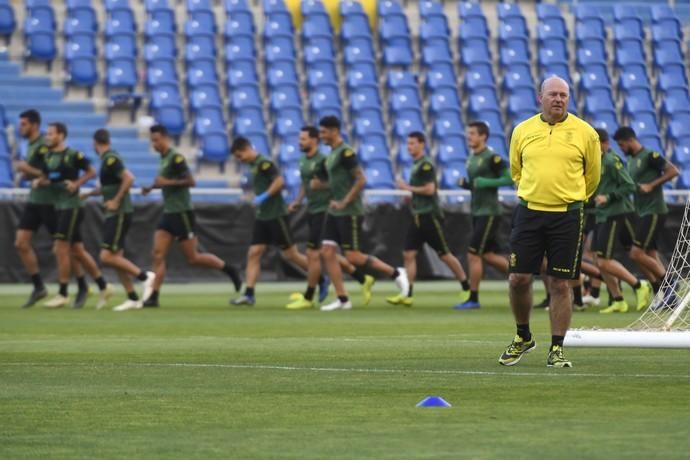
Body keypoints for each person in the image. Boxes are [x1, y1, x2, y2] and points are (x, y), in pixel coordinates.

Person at [500, 76, 601, 368]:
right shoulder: (522, 130)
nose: (558, 99)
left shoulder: (586, 133)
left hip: (567, 215)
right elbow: (516, 170)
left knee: (560, 283)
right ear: (539, 98)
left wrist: (571, 197)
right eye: (553, 94)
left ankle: (557, 347)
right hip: (530, 211)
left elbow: (592, 177)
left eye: (564, 95)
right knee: (518, 279)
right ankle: (523, 336)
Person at [311, 116, 409, 311]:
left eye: (323, 132)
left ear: (334, 131)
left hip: (350, 211)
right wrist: (321, 186)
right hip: (335, 211)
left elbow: (360, 180)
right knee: (327, 252)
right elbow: (338, 183)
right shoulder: (331, 154)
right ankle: (342, 298)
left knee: (353, 257)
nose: (321, 136)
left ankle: (396, 273)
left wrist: (344, 201)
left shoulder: (346, 153)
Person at [142, 125, 241, 307]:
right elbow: (166, 183)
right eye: (152, 140)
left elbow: (190, 181)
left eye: (156, 140)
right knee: (157, 254)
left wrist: (166, 182)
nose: (154, 144)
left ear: (165, 138)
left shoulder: (176, 158)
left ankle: (229, 269)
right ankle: (154, 296)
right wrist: (152, 187)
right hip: (169, 212)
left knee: (193, 258)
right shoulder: (163, 159)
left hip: (182, 213)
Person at [285, 127, 373, 310]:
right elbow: (306, 183)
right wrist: (298, 201)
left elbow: (333, 184)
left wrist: (322, 187)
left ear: (314, 140)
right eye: (299, 138)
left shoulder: (324, 161)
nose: (299, 142)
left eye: (303, 139)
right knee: (327, 253)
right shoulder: (303, 160)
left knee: (313, 254)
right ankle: (361, 278)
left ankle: (311, 295)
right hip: (312, 210)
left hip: (324, 211)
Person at [13, 110, 90, 308]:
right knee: (21, 243)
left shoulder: (44, 146)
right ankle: (39, 286)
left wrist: (26, 170)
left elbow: (49, 172)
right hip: (34, 200)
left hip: (51, 203)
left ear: (34, 125)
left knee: (67, 247)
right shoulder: (29, 145)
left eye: (24, 124)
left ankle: (81, 285)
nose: (20, 127)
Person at [387, 131, 471, 306]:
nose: (409, 147)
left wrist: (407, 188)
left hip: (429, 217)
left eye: (412, 143)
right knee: (408, 254)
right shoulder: (417, 164)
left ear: (421, 144)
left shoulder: (425, 165)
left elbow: (430, 189)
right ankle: (408, 294)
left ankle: (465, 286)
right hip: (418, 216)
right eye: (408, 144)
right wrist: (411, 196)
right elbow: (422, 191)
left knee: (444, 254)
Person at [37, 122, 112, 309]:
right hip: (59, 206)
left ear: (61, 135)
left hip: (72, 206)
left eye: (51, 134)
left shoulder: (73, 155)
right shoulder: (48, 156)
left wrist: (77, 183)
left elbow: (91, 171)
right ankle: (103, 286)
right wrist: (40, 182)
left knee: (60, 247)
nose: (47, 137)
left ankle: (63, 293)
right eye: (47, 134)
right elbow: (49, 179)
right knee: (77, 251)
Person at [229, 136, 311, 306]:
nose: (239, 160)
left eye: (239, 155)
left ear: (246, 149)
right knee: (254, 253)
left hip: (276, 215)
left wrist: (264, 195)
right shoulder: (253, 165)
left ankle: (319, 277)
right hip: (263, 216)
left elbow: (280, 181)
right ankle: (249, 295)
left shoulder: (264, 163)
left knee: (291, 254)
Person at [81, 129, 156, 311]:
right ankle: (132, 297)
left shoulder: (110, 159)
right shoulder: (106, 160)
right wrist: (88, 194)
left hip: (119, 213)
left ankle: (145, 277)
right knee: (116, 258)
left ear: (95, 142)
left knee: (106, 257)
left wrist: (115, 201)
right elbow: (107, 187)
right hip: (114, 213)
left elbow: (129, 178)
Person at [590, 128, 653, 313]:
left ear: (604, 143)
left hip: (615, 213)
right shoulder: (598, 161)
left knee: (603, 260)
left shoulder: (611, 160)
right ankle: (617, 299)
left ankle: (639, 285)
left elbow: (629, 185)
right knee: (597, 257)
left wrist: (608, 198)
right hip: (602, 214)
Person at [613, 127, 678, 294]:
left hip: (654, 210)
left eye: (621, 145)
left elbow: (673, 171)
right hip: (641, 212)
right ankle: (661, 294)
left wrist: (652, 185)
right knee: (650, 254)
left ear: (629, 140)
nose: (621, 149)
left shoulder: (650, 155)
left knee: (636, 254)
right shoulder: (632, 161)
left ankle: (670, 283)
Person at [455, 121, 511, 310]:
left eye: (472, 133)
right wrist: (467, 184)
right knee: (487, 255)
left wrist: (485, 182)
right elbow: (476, 184)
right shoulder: (471, 158)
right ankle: (519, 276)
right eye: (468, 133)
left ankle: (473, 298)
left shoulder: (492, 157)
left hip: (489, 213)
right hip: (477, 211)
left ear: (483, 137)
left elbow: (509, 177)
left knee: (473, 254)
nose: (468, 136)